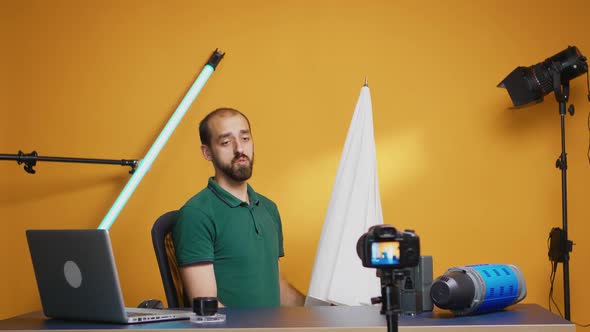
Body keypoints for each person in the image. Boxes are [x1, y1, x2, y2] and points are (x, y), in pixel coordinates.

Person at [172, 107, 305, 307]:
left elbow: (278, 288)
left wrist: (326, 310)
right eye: (226, 142)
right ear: (207, 152)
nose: (239, 149)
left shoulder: (269, 208)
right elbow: (207, 309)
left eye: (245, 138)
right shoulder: (196, 214)